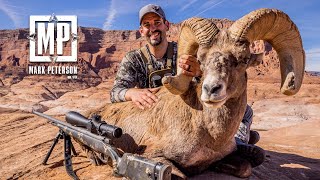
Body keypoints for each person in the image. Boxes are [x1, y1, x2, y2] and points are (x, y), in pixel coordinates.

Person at [109, 4, 264, 170]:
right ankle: (239, 142)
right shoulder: (133, 59)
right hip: (153, 112)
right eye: (147, 25)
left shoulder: (185, 51)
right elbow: (115, 93)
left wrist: (199, 71)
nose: (153, 28)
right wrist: (132, 93)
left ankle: (234, 142)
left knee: (245, 110)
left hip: (187, 107)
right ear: (141, 31)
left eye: (157, 22)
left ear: (166, 25)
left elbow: (213, 71)